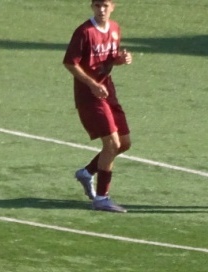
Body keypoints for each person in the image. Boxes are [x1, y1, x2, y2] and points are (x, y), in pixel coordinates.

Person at [64, 0, 133, 213]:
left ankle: (86, 173)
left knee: (124, 143)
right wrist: (92, 84)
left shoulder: (115, 29)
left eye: (105, 5)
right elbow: (70, 63)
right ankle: (102, 198)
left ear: (113, 6)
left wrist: (121, 59)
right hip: (89, 95)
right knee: (112, 143)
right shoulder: (84, 32)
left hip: (108, 91)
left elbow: (108, 60)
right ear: (92, 7)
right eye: (97, 5)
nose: (101, 10)